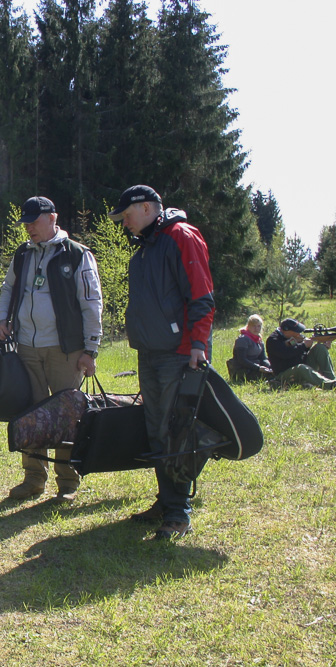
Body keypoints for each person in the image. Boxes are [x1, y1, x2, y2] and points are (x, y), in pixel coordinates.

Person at [111, 185, 214, 540]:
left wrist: (198, 344)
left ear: (145, 208)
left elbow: (201, 295)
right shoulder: (145, 249)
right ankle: (166, 501)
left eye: (126, 215)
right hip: (151, 353)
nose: (125, 223)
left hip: (179, 354)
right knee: (157, 429)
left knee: (176, 432)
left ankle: (178, 513)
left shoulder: (181, 236)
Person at [0, 195, 103, 502]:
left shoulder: (77, 254)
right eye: (25, 223)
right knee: (30, 413)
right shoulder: (22, 254)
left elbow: (92, 303)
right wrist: (2, 319)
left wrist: (90, 349)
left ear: (52, 218)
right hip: (27, 347)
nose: (29, 228)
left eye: (34, 221)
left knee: (67, 416)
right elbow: (8, 288)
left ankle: (68, 482)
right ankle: (33, 479)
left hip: (66, 350)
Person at [265, 318, 336, 389]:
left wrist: (316, 345)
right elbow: (286, 354)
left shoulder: (294, 338)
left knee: (319, 348)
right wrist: (304, 345)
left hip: (302, 368)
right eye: (296, 331)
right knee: (301, 368)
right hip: (284, 374)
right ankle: (330, 385)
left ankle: (332, 380)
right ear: (286, 330)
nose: (299, 333)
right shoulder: (273, 340)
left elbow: (300, 351)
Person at [227, 314, 273, 382]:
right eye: (254, 326)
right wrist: (258, 368)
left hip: (255, 368)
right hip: (242, 370)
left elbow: (263, 358)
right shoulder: (242, 339)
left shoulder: (259, 341)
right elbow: (242, 360)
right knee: (268, 376)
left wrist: (270, 367)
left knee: (275, 372)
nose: (256, 328)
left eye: (258, 326)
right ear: (248, 326)